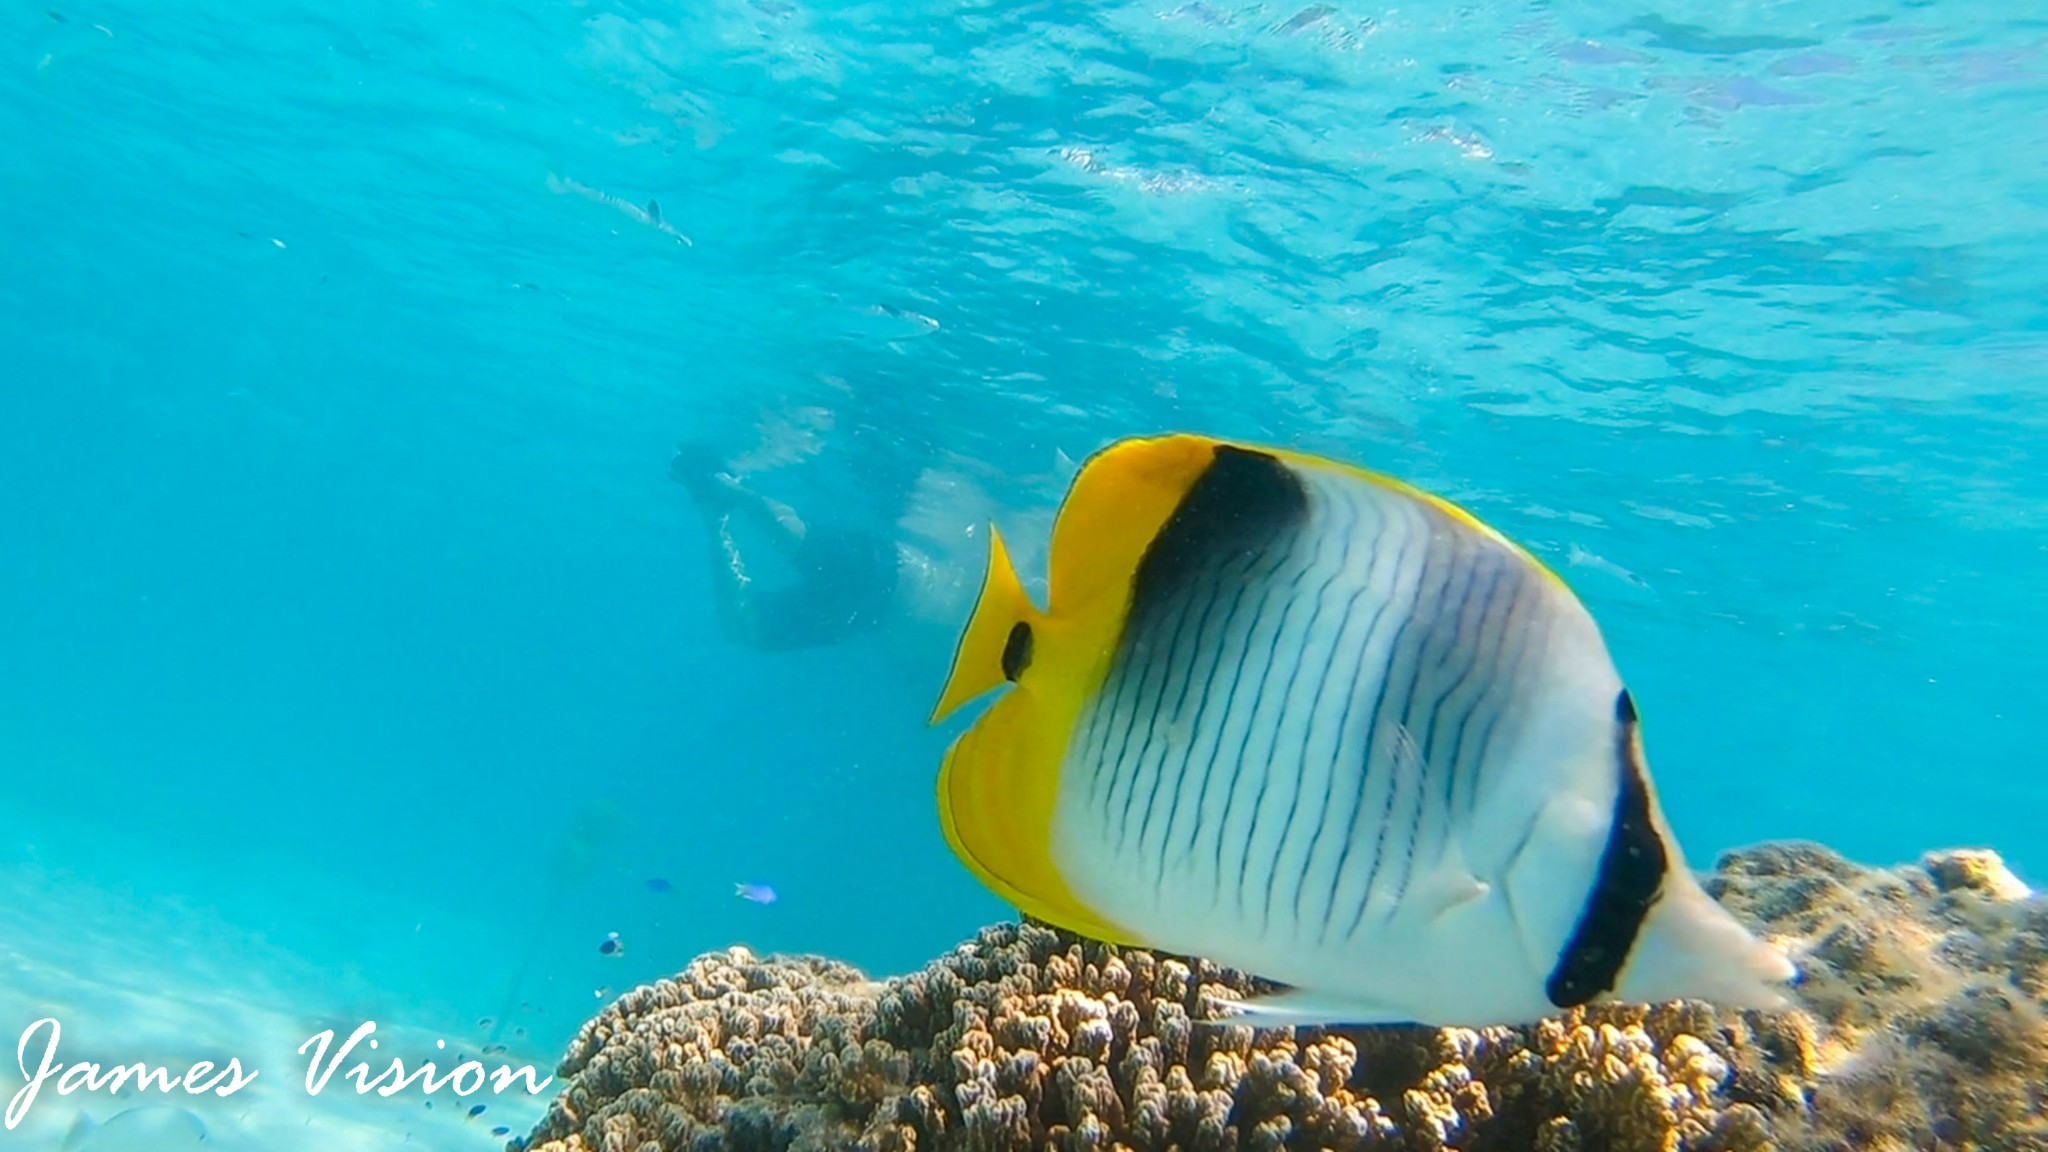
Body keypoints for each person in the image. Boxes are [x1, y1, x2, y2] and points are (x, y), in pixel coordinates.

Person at [671, 441, 926, 651]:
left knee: (744, 628)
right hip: (879, 599)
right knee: (746, 625)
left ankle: (717, 511)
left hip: (867, 608)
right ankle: (722, 493)